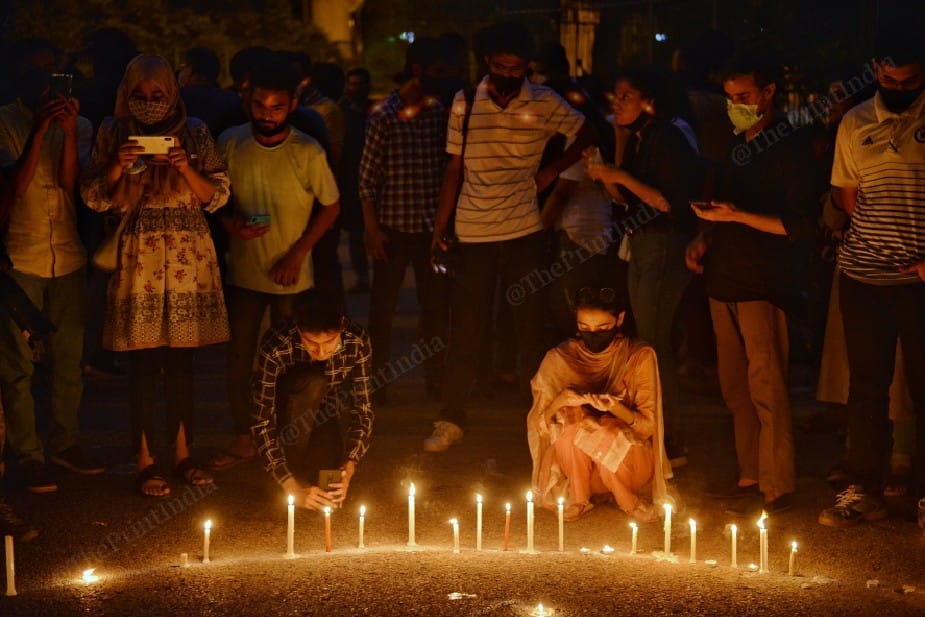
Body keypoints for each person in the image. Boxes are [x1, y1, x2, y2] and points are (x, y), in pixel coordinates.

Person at [427, 21, 593, 452]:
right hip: (472, 230)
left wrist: (552, 170)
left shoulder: (544, 101)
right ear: (487, 62)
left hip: (524, 230)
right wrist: (441, 226)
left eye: (516, 68)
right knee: (466, 328)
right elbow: (454, 167)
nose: (507, 75)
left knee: (529, 330)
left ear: (527, 67)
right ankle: (450, 416)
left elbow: (588, 132)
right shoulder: (465, 102)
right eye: (500, 67)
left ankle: (540, 415)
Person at [80, 54, 231, 497]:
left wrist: (184, 166)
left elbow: (217, 195)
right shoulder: (112, 130)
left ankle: (184, 455)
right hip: (139, 258)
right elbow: (93, 197)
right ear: (126, 93)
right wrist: (118, 164)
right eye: (139, 94)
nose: (148, 102)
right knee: (143, 363)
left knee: (181, 363)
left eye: (157, 94)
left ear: (172, 92)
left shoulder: (195, 131)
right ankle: (146, 461)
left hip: (186, 258)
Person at [685, 50, 817, 515]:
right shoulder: (730, 142)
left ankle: (778, 484)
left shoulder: (791, 147)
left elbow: (799, 225)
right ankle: (750, 474)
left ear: (768, 93)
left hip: (765, 283)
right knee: (736, 389)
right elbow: (723, 204)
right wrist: (705, 237)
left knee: (767, 388)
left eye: (743, 97)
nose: (735, 106)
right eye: (729, 98)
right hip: (724, 279)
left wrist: (739, 216)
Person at [817, 27, 925, 529]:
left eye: (908, 82)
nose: (897, 89)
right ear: (877, 73)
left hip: (920, 281)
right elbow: (847, 194)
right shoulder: (856, 121)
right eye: (888, 80)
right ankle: (863, 489)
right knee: (866, 386)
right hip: (863, 275)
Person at [210, 58, 340, 471]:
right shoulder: (230, 142)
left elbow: (331, 206)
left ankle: (287, 443)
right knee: (239, 359)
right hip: (244, 272)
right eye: (260, 105)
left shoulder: (307, 150)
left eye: (277, 107)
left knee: (292, 365)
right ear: (247, 101)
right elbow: (214, 197)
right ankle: (245, 437)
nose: (267, 115)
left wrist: (297, 254)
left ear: (292, 105)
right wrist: (231, 225)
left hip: (291, 278)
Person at [585, 66, 703, 467]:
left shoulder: (667, 135)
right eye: (615, 96)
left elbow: (666, 202)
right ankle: (659, 434)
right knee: (648, 342)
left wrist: (617, 173)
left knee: (655, 345)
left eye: (626, 96)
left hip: (664, 244)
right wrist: (607, 172)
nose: (617, 103)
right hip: (641, 243)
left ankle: (669, 439)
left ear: (649, 100)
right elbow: (626, 200)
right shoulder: (641, 137)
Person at [0, 38, 102, 494]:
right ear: (20, 76)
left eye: (52, 71)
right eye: (35, 71)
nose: (45, 80)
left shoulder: (79, 124)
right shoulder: (5, 121)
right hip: (20, 253)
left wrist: (67, 131)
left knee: (68, 359)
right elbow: (15, 186)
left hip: (67, 251)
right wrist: (39, 132)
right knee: (16, 366)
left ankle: (65, 442)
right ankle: (27, 453)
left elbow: (69, 184)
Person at [526, 287, 672, 522]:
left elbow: (648, 427)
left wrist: (614, 408)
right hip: (583, 472)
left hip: (630, 465)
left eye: (603, 328)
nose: (593, 334)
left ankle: (628, 500)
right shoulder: (560, 358)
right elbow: (540, 428)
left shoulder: (638, 356)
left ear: (620, 319)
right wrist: (561, 401)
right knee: (568, 419)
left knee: (606, 430)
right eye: (584, 328)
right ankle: (579, 498)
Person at [360, 37, 449, 405]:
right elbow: (367, 180)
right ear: (417, 70)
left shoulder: (438, 113)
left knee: (436, 309)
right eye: (438, 71)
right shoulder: (384, 115)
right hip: (392, 230)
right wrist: (372, 230)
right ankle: (376, 383)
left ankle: (437, 380)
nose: (444, 78)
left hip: (430, 232)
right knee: (381, 312)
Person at [251, 289, 373, 509]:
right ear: (298, 327)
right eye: (312, 342)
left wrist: (350, 465)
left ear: (341, 325)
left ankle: (305, 474)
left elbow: (363, 409)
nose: (322, 352)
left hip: (324, 415)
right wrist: (290, 485)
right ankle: (285, 474)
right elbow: (262, 420)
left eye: (330, 341)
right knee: (314, 381)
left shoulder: (356, 341)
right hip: (285, 421)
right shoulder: (277, 345)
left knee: (328, 490)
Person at [339, 67, 372, 293]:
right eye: (352, 84)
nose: (356, 89)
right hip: (351, 181)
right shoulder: (342, 112)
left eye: (360, 84)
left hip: (374, 179)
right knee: (355, 234)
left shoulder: (375, 111)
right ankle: (362, 277)